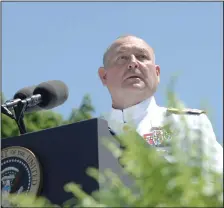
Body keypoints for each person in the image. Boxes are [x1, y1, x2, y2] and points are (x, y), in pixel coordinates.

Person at [98, 35, 223, 173]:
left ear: (157, 73)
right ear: (104, 76)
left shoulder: (189, 124)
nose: (133, 63)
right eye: (122, 58)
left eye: (142, 57)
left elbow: (216, 185)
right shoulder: (89, 138)